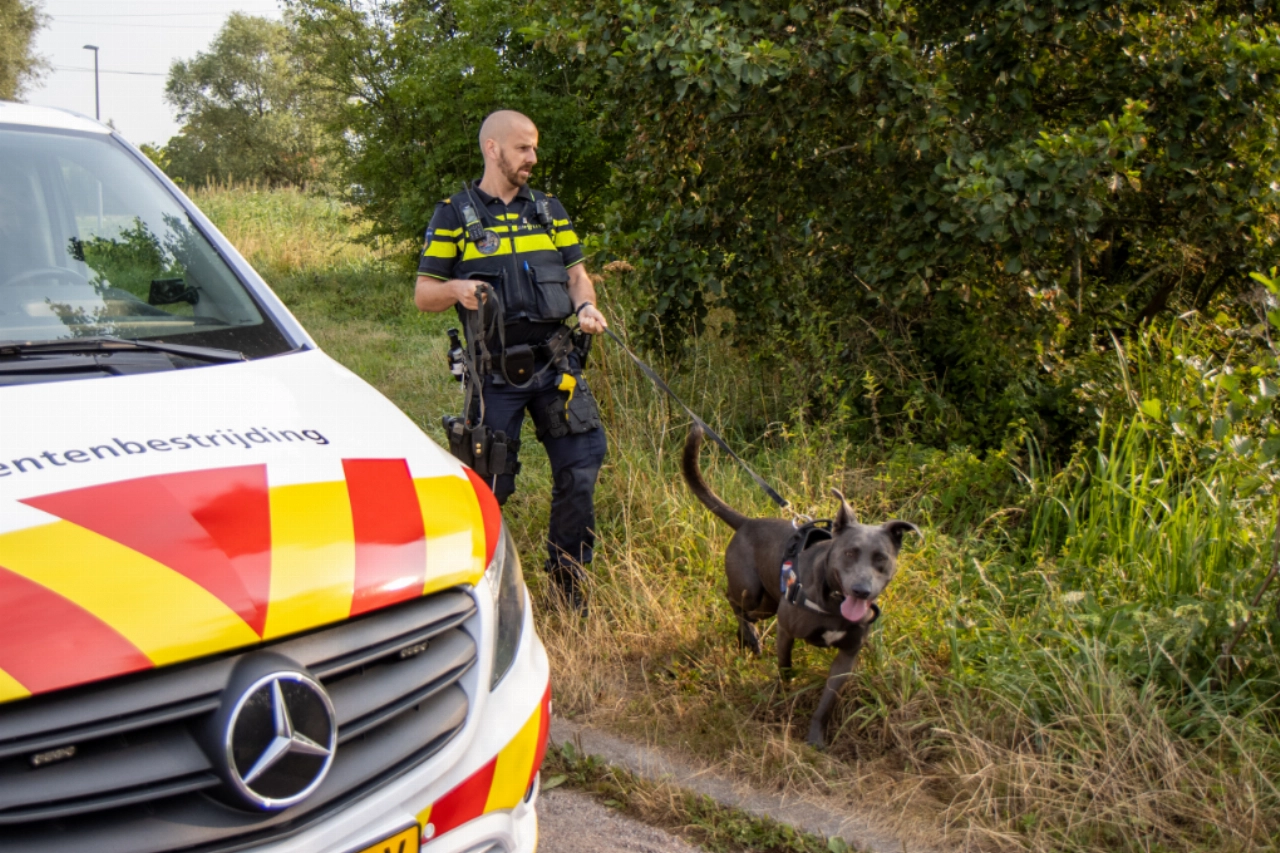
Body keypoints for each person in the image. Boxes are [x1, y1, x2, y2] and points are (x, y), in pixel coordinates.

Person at [414, 110, 608, 613]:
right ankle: (481, 596)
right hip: (495, 375)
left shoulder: (548, 209)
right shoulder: (454, 214)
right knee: (488, 489)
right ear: (493, 149)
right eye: (523, 148)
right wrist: (456, 288)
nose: (533, 158)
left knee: (581, 467)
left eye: (535, 148)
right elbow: (424, 294)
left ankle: (569, 586)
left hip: (555, 366)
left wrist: (585, 305)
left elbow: (577, 274)